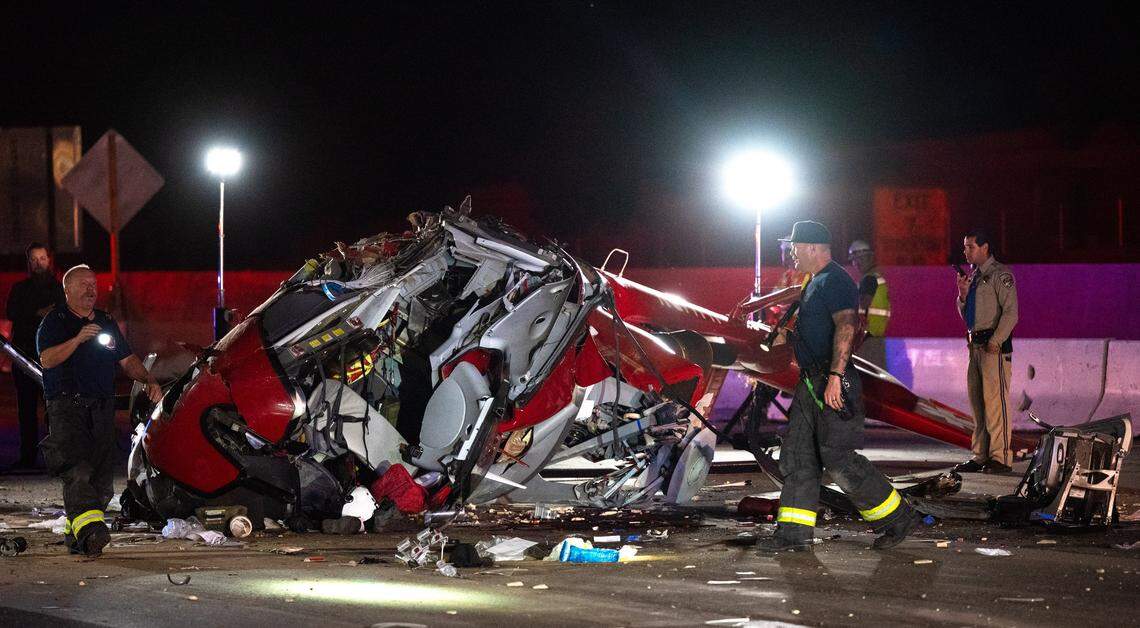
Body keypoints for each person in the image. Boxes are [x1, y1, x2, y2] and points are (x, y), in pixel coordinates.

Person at [757, 221, 919, 553]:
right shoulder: (812, 282)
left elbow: (847, 326)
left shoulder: (835, 280)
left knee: (838, 458)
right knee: (798, 458)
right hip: (809, 382)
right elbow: (813, 330)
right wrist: (783, 337)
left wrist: (835, 376)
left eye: (795, 246)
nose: (791, 252)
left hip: (832, 380)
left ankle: (899, 518)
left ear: (813, 248)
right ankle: (793, 537)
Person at [36, 265, 162, 556]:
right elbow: (47, 360)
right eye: (83, 284)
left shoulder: (106, 322)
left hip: (101, 409)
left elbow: (127, 360)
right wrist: (78, 339)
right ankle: (92, 533)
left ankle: (77, 532)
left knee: (102, 481)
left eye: (93, 284)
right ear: (67, 290)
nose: (90, 289)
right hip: (67, 408)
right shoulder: (55, 322)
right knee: (77, 470)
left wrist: (147, 380)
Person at [953, 229, 1018, 474]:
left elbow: (1011, 313)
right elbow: (968, 317)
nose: (966, 251)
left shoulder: (1000, 275)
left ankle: (1000, 457)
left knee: (995, 404)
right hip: (976, 346)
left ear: (985, 247)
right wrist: (962, 295)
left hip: (993, 348)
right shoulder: (975, 277)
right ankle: (980, 455)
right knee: (978, 405)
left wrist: (997, 341)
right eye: (965, 246)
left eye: (970, 246)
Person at [4, 243, 65, 469]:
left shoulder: (59, 289)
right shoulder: (20, 289)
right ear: (28, 262)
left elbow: (62, 314)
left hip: (52, 360)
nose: (38, 263)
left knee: (55, 412)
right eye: (33, 259)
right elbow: (12, 312)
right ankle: (27, 457)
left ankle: (56, 459)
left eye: (42, 258)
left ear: (49, 260)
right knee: (26, 412)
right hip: (24, 357)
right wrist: (37, 312)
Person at [848, 239, 890, 367]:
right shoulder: (878, 275)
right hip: (878, 339)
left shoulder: (869, 278)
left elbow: (863, 304)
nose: (857, 263)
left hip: (868, 340)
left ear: (869, 258)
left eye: (859, 259)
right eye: (855, 260)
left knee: (866, 382)